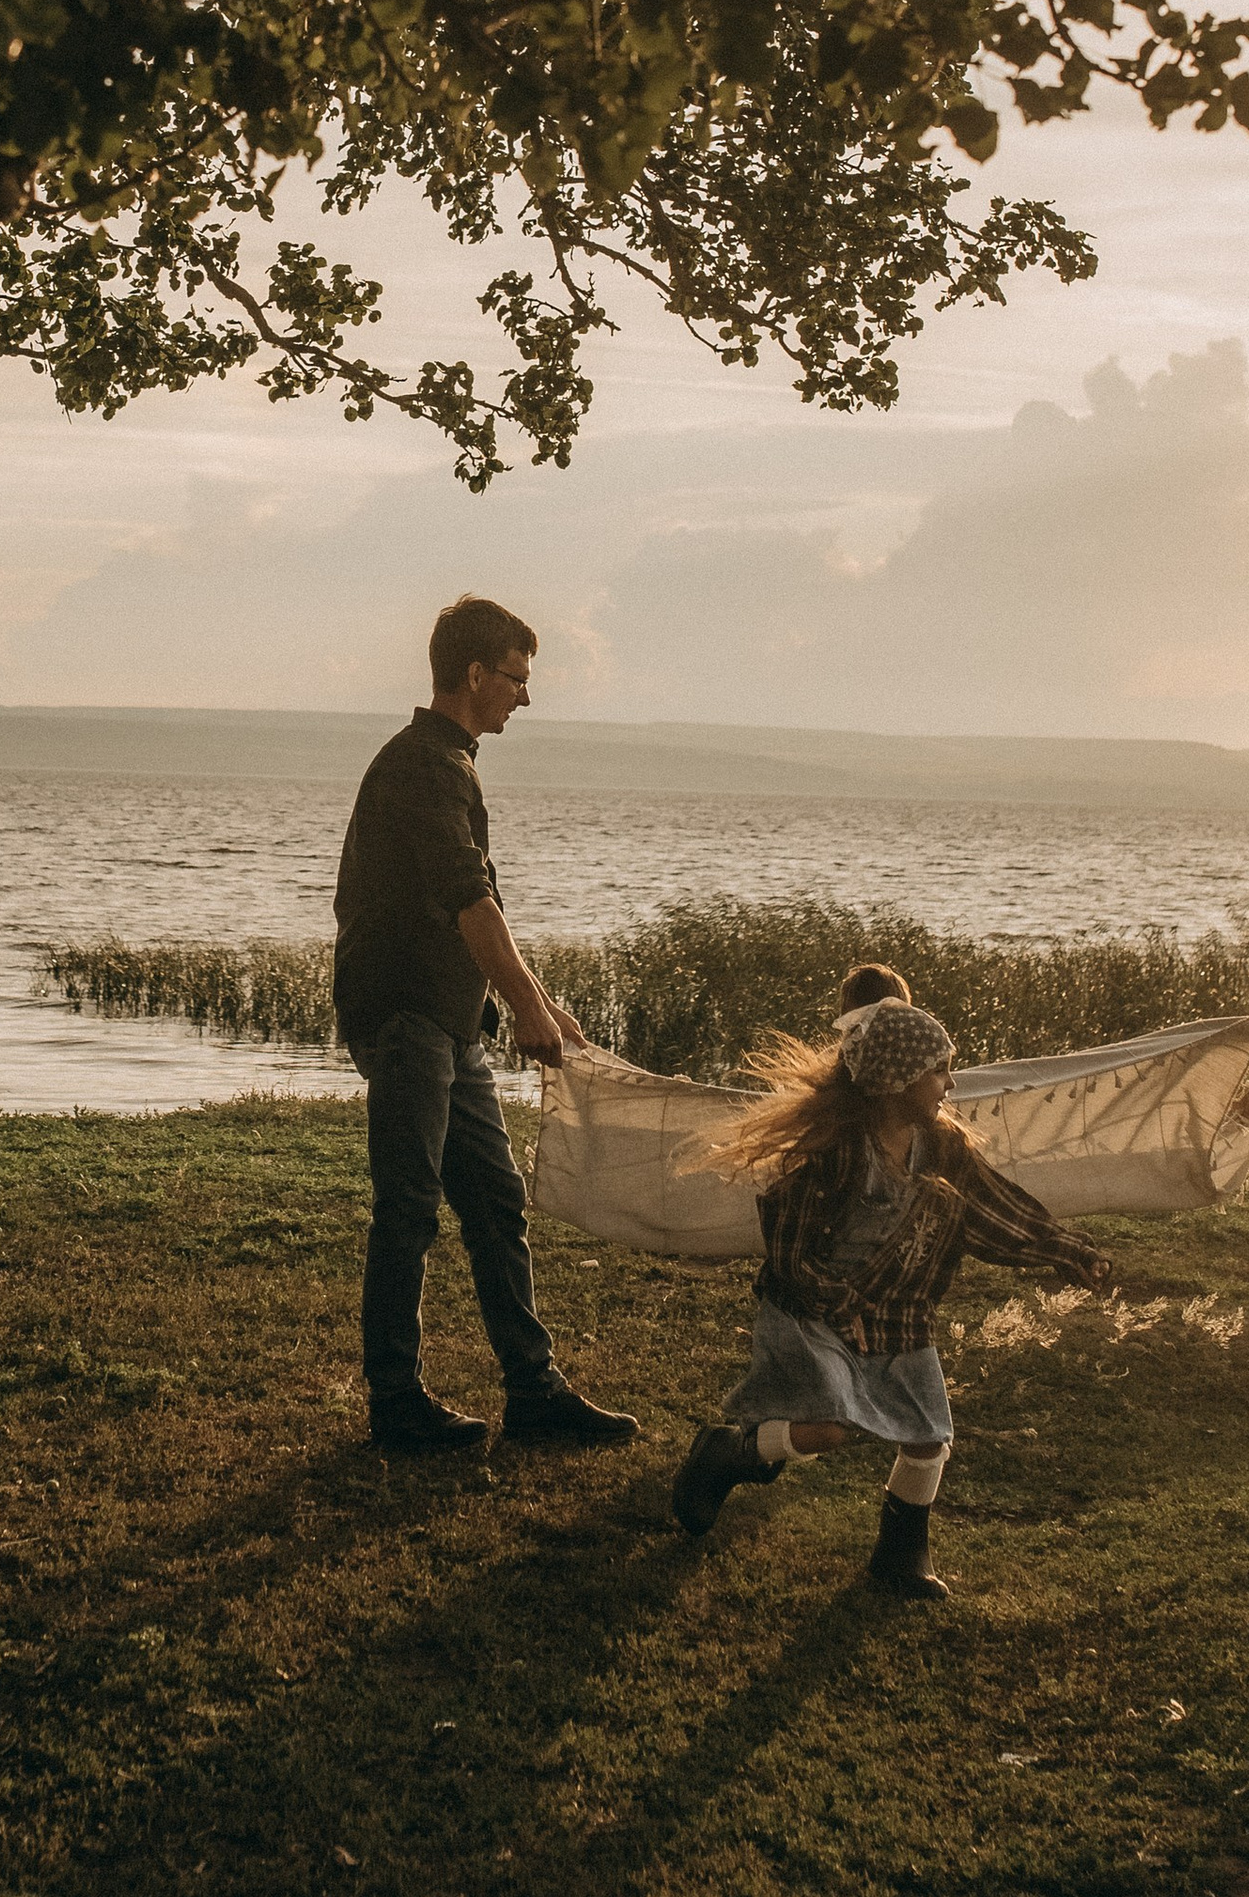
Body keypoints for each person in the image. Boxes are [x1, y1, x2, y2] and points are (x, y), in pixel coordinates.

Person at [668, 993, 1115, 1595]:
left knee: (929, 1439)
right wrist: (840, 1305)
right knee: (825, 1429)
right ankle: (727, 1454)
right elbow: (790, 1255)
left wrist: (1068, 1251)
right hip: (813, 1312)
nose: (949, 1083)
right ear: (895, 1077)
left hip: (896, 1313)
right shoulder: (833, 1155)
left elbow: (997, 1213)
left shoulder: (944, 1150)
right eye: (937, 1069)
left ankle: (900, 1559)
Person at [332, 597, 636, 1456]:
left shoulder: (446, 764)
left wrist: (523, 998)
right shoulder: (423, 768)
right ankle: (394, 1403)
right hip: (407, 1019)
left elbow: (470, 906)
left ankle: (532, 1392)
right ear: (474, 674)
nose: (524, 698)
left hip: (448, 1023)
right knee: (409, 1208)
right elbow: (468, 897)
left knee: (495, 1204)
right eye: (516, 678)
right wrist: (529, 1006)